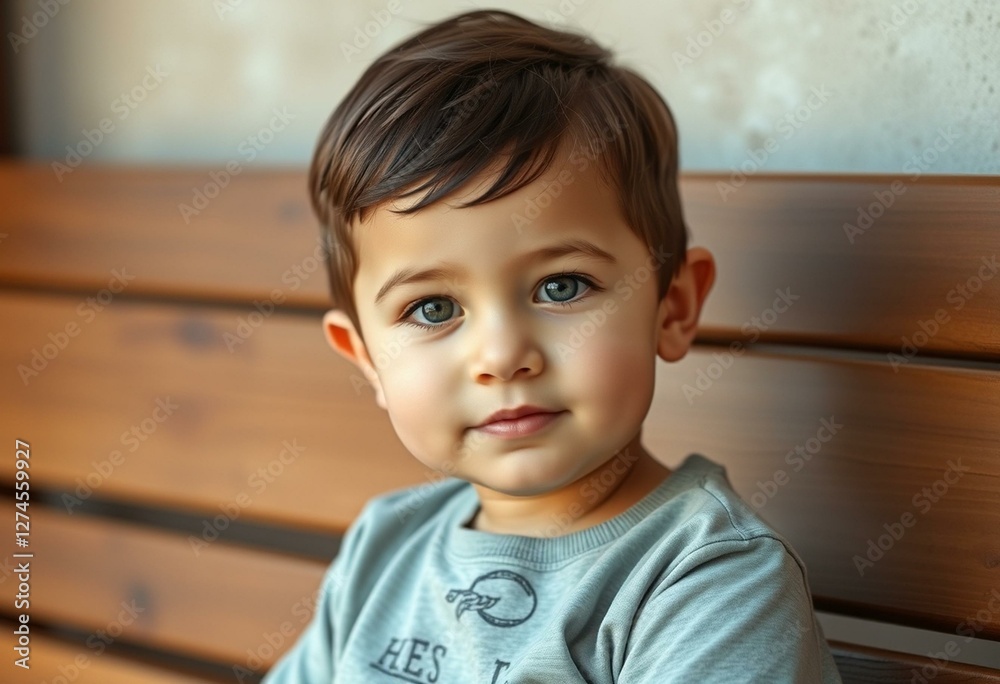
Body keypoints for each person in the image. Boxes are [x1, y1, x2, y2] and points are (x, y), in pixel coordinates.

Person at [264, 8, 842, 683]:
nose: (503, 356)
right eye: (434, 308)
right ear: (367, 359)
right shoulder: (386, 547)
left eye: (562, 287)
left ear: (673, 306)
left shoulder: (706, 583)